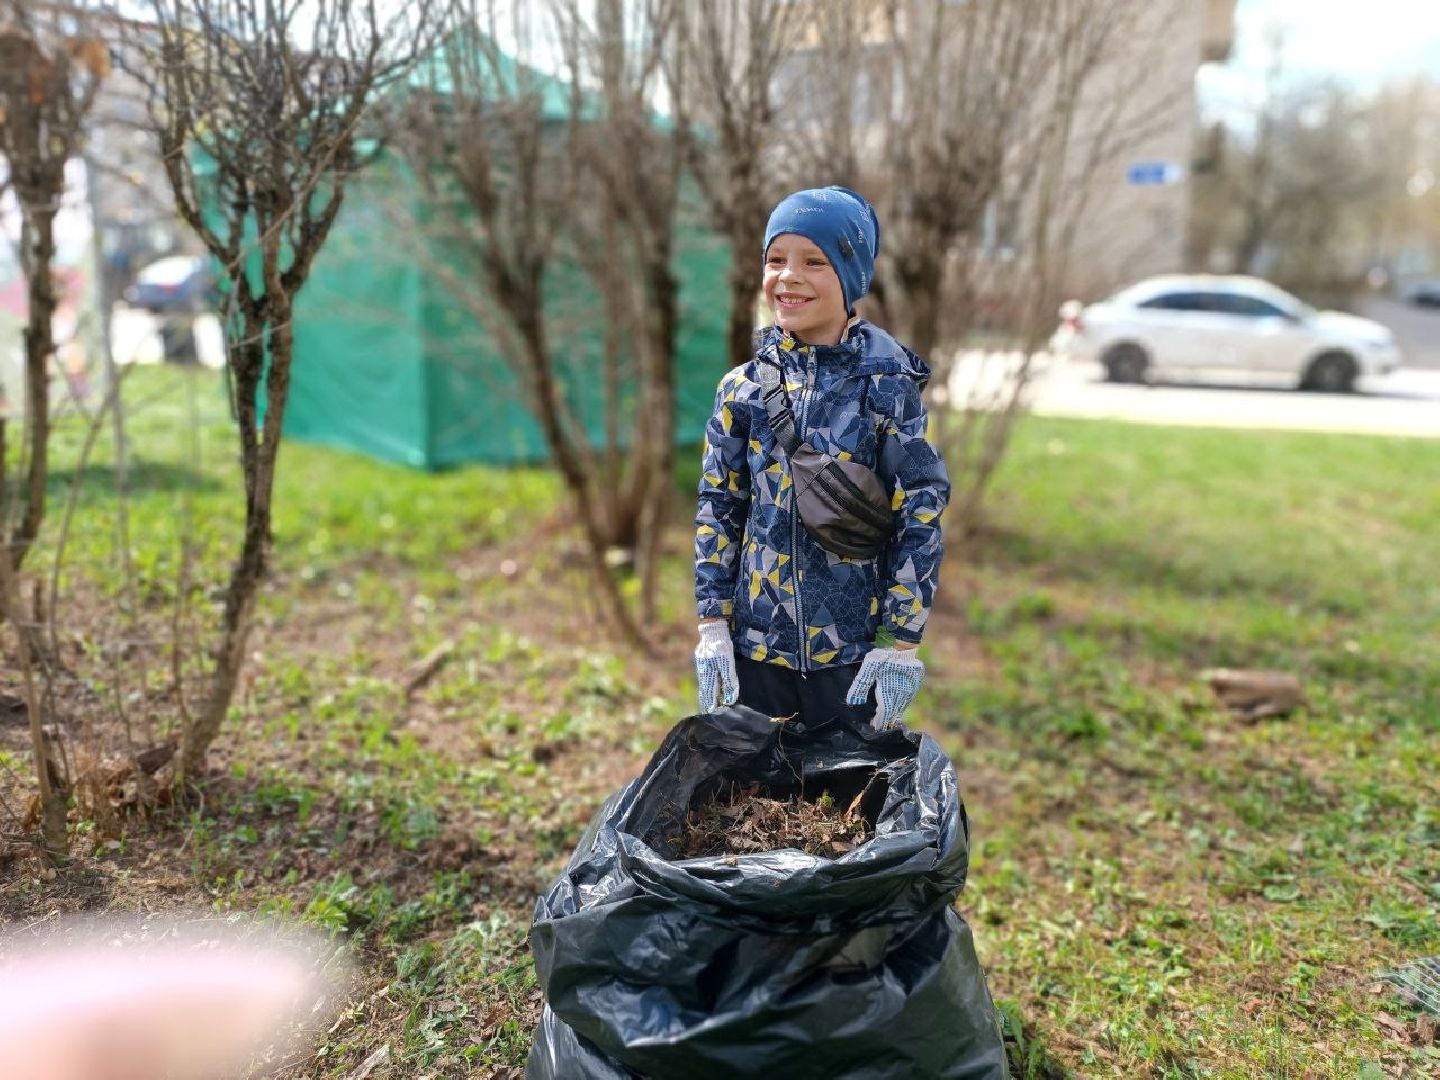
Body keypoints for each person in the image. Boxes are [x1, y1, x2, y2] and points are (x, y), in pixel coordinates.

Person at [693, 186, 950, 730]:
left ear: (852, 276)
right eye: (775, 260)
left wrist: (898, 642)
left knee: (845, 804)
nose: (788, 276)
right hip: (754, 651)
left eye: (814, 261)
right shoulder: (741, 388)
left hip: (853, 657)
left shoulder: (886, 388)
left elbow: (919, 512)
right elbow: (719, 505)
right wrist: (713, 624)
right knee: (751, 805)